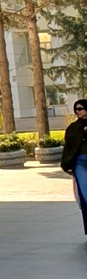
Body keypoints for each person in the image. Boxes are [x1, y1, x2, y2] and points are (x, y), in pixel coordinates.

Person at [61, 99, 87, 235]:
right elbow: (68, 148)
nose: (78, 112)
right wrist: (67, 165)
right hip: (80, 163)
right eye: (76, 109)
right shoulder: (73, 128)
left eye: (80, 109)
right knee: (85, 196)